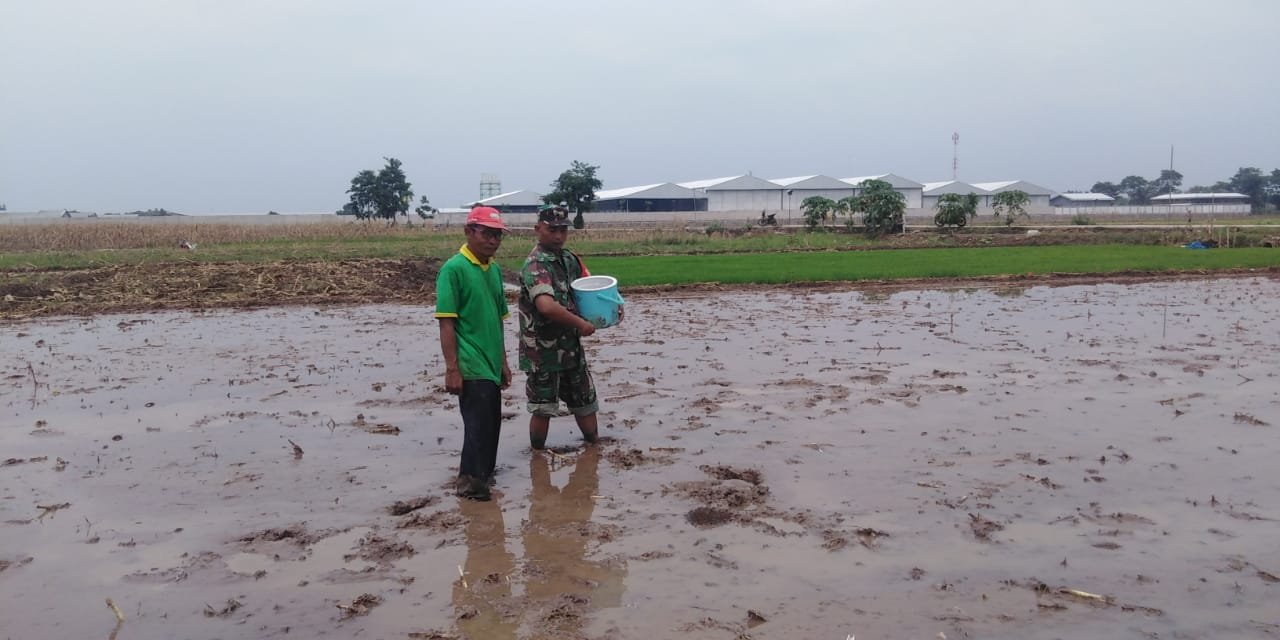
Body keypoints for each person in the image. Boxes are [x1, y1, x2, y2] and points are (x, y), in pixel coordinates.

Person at [518, 204, 617, 450]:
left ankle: (593, 446)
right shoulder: (536, 265)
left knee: (585, 399)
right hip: (542, 351)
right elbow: (546, 306)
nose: (559, 236)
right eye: (552, 230)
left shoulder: (569, 259)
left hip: (570, 348)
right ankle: (537, 455)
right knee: (543, 407)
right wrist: (581, 324)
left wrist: (613, 308)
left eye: (563, 230)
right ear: (538, 229)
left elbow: (588, 292)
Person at [435, 205, 512, 501]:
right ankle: (471, 485)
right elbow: (446, 321)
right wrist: (452, 368)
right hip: (470, 362)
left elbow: (498, 320)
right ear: (469, 232)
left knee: (492, 423)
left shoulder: (492, 270)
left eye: (497, 236)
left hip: (491, 363)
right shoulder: (453, 269)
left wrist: (503, 362)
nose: (493, 241)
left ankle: (484, 477)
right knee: (478, 426)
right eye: (487, 234)